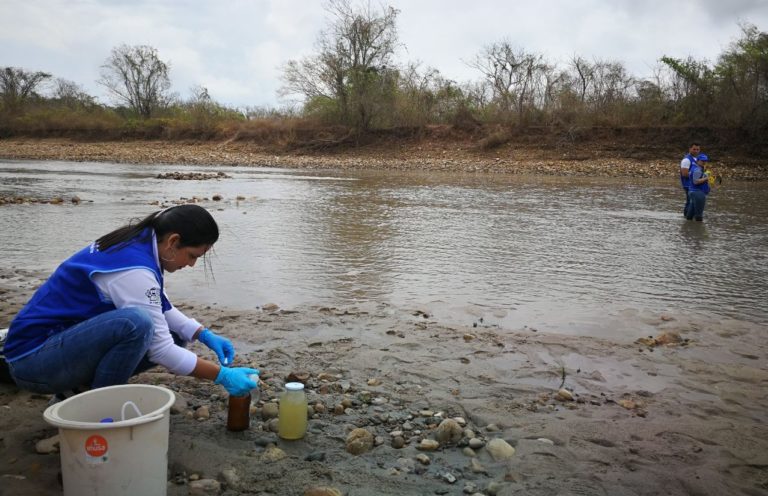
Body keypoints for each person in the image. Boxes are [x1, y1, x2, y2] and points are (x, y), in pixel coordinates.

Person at [2, 204, 259, 401]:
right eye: (191, 256)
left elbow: (159, 303)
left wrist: (201, 333)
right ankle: (99, 405)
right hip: (32, 362)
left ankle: (79, 389)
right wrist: (221, 376)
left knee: (175, 334)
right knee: (136, 324)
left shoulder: (141, 242)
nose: (191, 265)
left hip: (56, 346)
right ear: (173, 242)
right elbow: (161, 351)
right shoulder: (135, 269)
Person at [686, 153, 711, 221]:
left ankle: (687, 228)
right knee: (699, 216)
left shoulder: (694, 167)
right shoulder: (697, 170)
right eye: (702, 161)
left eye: (705, 161)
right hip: (698, 193)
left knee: (690, 216)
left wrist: (704, 175)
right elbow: (696, 181)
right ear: (698, 160)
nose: (704, 162)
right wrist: (707, 178)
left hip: (692, 192)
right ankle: (699, 230)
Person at [680, 142, 701, 217]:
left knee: (694, 202)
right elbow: (684, 174)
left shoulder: (696, 159)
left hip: (694, 184)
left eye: (697, 149)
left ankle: (690, 218)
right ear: (690, 149)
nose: (696, 151)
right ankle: (687, 218)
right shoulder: (686, 160)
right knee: (690, 202)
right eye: (694, 149)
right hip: (688, 185)